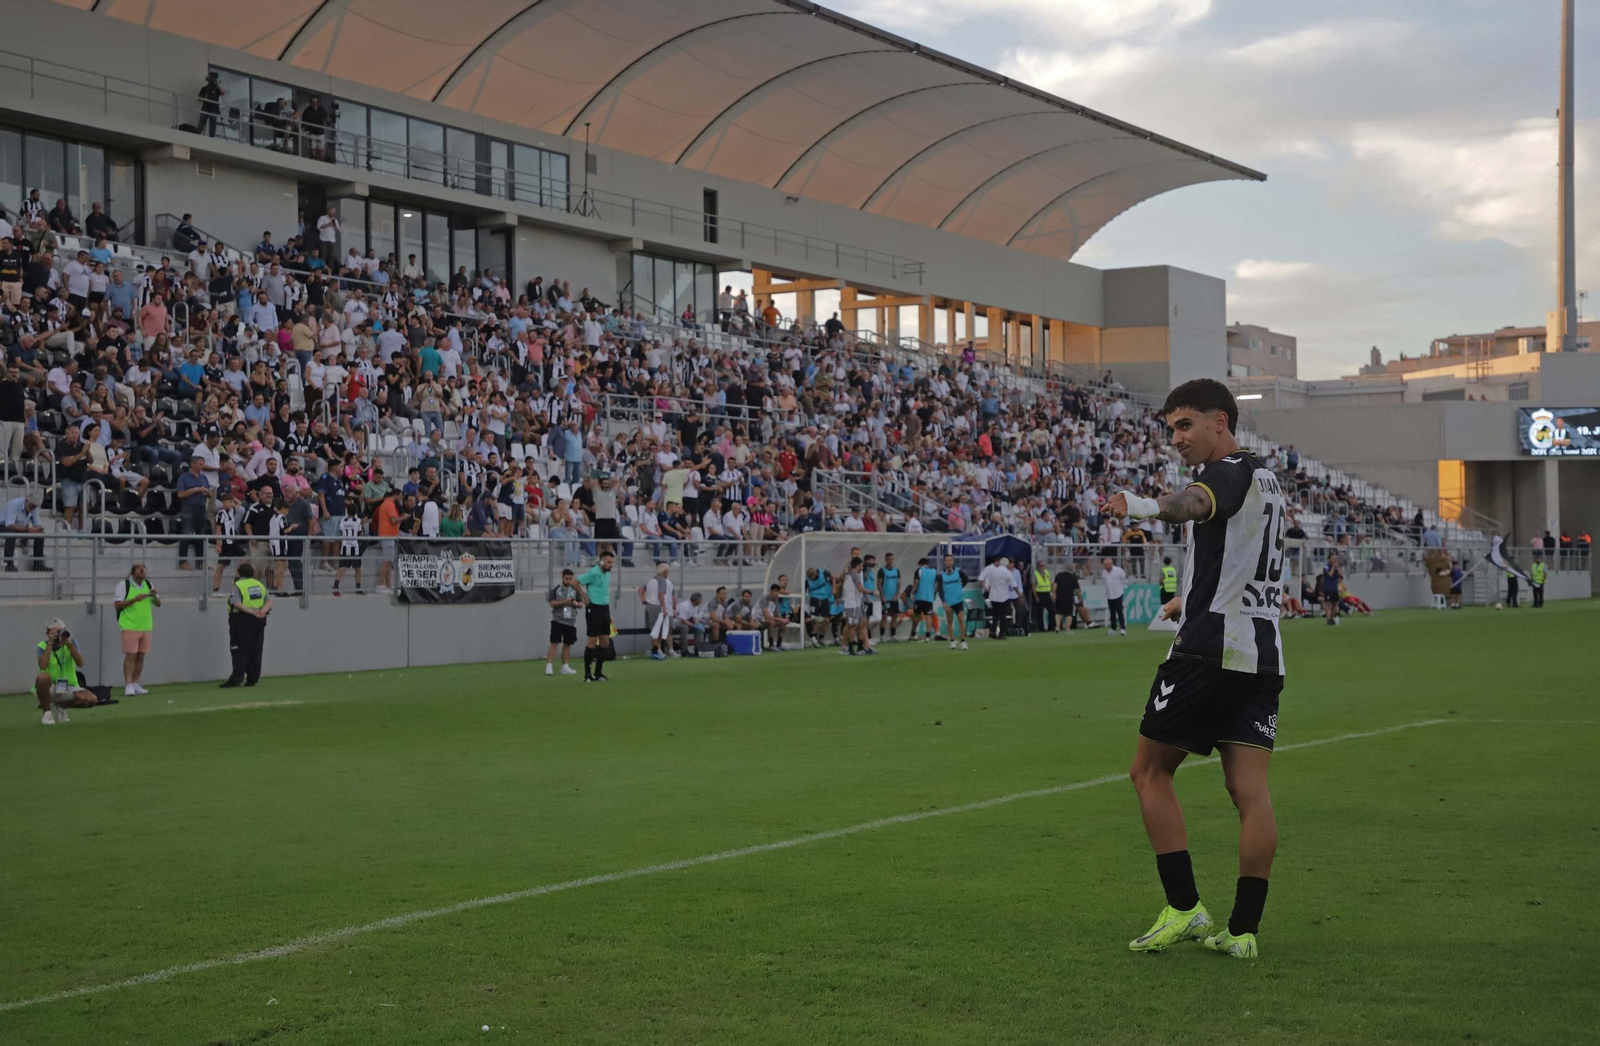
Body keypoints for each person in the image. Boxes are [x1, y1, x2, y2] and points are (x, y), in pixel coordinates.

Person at [1106, 377, 1285, 960]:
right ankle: (1242, 932)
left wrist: (1143, 505)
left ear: (1220, 422)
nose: (1177, 438)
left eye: (1186, 426)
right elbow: (1241, 555)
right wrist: (1193, 593)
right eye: (1171, 429)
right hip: (1261, 652)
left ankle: (1184, 909)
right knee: (1249, 792)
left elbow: (1198, 503)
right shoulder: (1269, 478)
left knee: (1148, 772)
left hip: (1209, 651)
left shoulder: (1224, 472)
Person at [35, 619, 100, 725]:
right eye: (54, 632)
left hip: (68, 686)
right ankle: (47, 713)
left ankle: (60, 706)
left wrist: (70, 646)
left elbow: (81, 663)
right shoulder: (42, 645)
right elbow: (43, 665)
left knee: (91, 699)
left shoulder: (72, 643)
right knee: (43, 677)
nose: (57, 635)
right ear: (47, 633)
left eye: (60, 631)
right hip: (49, 687)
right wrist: (50, 645)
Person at [220, 561, 272, 688]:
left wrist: (252, 612)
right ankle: (252, 678)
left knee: (239, 649)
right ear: (252, 573)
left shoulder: (237, 586)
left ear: (238, 572)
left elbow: (236, 603)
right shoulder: (259, 585)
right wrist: (262, 612)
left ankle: (236, 678)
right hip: (259, 621)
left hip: (241, 620)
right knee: (255, 649)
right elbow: (269, 601)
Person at [114, 562, 160, 696]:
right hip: (130, 625)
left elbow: (158, 604)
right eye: (139, 570)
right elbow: (117, 605)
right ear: (133, 573)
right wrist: (134, 600)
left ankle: (135, 683)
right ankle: (128, 684)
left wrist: (154, 596)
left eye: (144, 570)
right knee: (131, 655)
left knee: (141, 655)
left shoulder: (149, 584)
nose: (142, 572)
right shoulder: (124, 585)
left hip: (146, 625)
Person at [577, 551, 615, 682]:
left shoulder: (607, 573)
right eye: (609, 562)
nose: (611, 565)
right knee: (592, 641)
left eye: (612, 562)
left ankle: (598, 672)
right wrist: (584, 596)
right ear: (602, 561)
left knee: (605, 642)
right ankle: (587, 674)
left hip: (605, 608)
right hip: (594, 608)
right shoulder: (593, 573)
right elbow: (575, 582)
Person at [545, 567, 582, 676]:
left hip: (571, 621)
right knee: (554, 642)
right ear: (562, 578)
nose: (569, 581)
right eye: (567, 579)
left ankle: (565, 666)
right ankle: (549, 665)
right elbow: (552, 603)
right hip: (558, 620)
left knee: (568, 644)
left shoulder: (575, 590)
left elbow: (581, 604)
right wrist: (565, 602)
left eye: (570, 579)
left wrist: (574, 603)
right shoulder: (556, 590)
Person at [2, 491, 48, 572]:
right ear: (27, 500)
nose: (33, 509)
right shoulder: (14, 504)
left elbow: (36, 523)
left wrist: (38, 529)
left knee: (40, 535)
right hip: (3, 525)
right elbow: (9, 524)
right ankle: (9, 564)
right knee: (11, 533)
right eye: (31, 506)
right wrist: (28, 529)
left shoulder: (35, 508)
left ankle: (38, 564)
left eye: (35, 507)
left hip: (21, 527)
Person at [640, 561, 674, 660]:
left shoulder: (651, 580)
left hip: (649, 606)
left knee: (654, 629)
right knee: (657, 630)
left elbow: (640, 589)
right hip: (656, 606)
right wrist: (664, 608)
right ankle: (656, 650)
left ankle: (656, 649)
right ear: (664, 571)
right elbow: (661, 594)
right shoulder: (662, 581)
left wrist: (643, 599)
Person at [937, 553, 968, 651]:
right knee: (950, 621)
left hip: (958, 600)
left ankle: (963, 641)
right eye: (947, 560)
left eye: (950, 560)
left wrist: (960, 588)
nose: (949, 562)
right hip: (948, 601)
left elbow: (966, 579)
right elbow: (940, 589)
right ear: (944, 562)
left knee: (960, 619)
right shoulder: (941, 575)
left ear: (953, 561)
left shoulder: (958, 571)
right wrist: (943, 601)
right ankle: (952, 641)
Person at [1103, 556, 1128, 635]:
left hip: (1118, 593)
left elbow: (1124, 580)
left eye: (1107, 565)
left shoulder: (1118, 571)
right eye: (1105, 565)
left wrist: (1122, 588)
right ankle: (1113, 628)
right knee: (1112, 612)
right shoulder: (1104, 573)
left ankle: (1123, 628)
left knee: (1119, 611)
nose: (1106, 567)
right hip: (1109, 595)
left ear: (1111, 564)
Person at [1320, 556, 1342, 625]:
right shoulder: (1326, 567)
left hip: (1335, 588)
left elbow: (1341, 575)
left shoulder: (1336, 566)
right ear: (1329, 559)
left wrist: (1337, 567)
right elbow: (1330, 575)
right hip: (1328, 588)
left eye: (1335, 558)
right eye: (1333, 558)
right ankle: (1328, 619)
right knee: (1328, 604)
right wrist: (1332, 567)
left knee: (1335, 604)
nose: (1334, 560)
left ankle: (1332, 617)